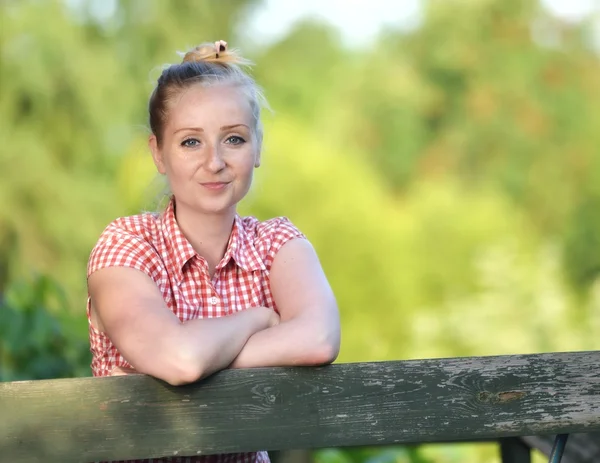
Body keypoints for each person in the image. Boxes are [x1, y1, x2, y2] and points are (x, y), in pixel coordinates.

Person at [85, 40, 341, 463]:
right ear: (158, 153)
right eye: (190, 142)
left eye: (234, 139)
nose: (215, 161)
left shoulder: (278, 244)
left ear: (256, 147)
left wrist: (200, 358)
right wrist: (260, 319)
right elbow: (180, 359)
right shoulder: (126, 245)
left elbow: (318, 337)